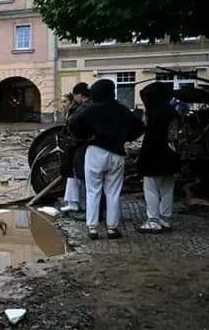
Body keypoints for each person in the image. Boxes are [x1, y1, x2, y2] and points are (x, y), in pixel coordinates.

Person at [68, 79, 144, 240]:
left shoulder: (92, 109)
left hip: (95, 151)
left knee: (93, 191)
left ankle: (93, 228)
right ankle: (112, 228)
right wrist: (125, 137)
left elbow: (73, 123)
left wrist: (85, 136)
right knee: (113, 193)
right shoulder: (123, 110)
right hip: (117, 153)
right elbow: (139, 127)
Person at [136, 82, 180, 233]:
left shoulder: (154, 113)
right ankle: (165, 218)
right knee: (168, 188)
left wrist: (142, 160)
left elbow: (150, 139)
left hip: (155, 157)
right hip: (171, 154)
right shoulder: (172, 111)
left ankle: (153, 220)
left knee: (151, 189)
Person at [60, 82, 91, 213]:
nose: (63, 104)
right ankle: (77, 202)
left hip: (79, 146)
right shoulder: (78, 109)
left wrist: (72, 141)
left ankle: (78, 203)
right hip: (77, 145)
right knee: (74, 173)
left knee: (77, 174)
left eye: (64, 101)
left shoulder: (81, 109)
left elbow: (73, 127)